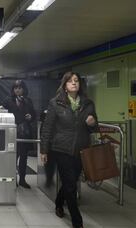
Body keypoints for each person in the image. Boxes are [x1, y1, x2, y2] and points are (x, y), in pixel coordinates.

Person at [40, 72, 97, 228]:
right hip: (61, 149)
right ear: (64, 85)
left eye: (76, 80)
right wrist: (44, 150)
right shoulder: (55, 103)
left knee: (69, 183)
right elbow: (47, 128)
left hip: (81, 150)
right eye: (70, 81)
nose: (74, 83)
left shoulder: (88, 103)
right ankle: (77, 221)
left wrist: (92, 123)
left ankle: (59, 202)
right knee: (70, 185)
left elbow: (94, 127)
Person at [0, 80, 35, 189]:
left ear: (24, 89)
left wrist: (31, 117)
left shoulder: (28, 101)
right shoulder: (8, 100)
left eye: (20, 88)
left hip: (24, 133)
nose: (17, 90)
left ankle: (22, 180)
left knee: (24, 158)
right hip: (12, 132)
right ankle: (12, 178)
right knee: (13, 157)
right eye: (15, 88)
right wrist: (0, 109)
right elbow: (1, 112)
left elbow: (33, 114)